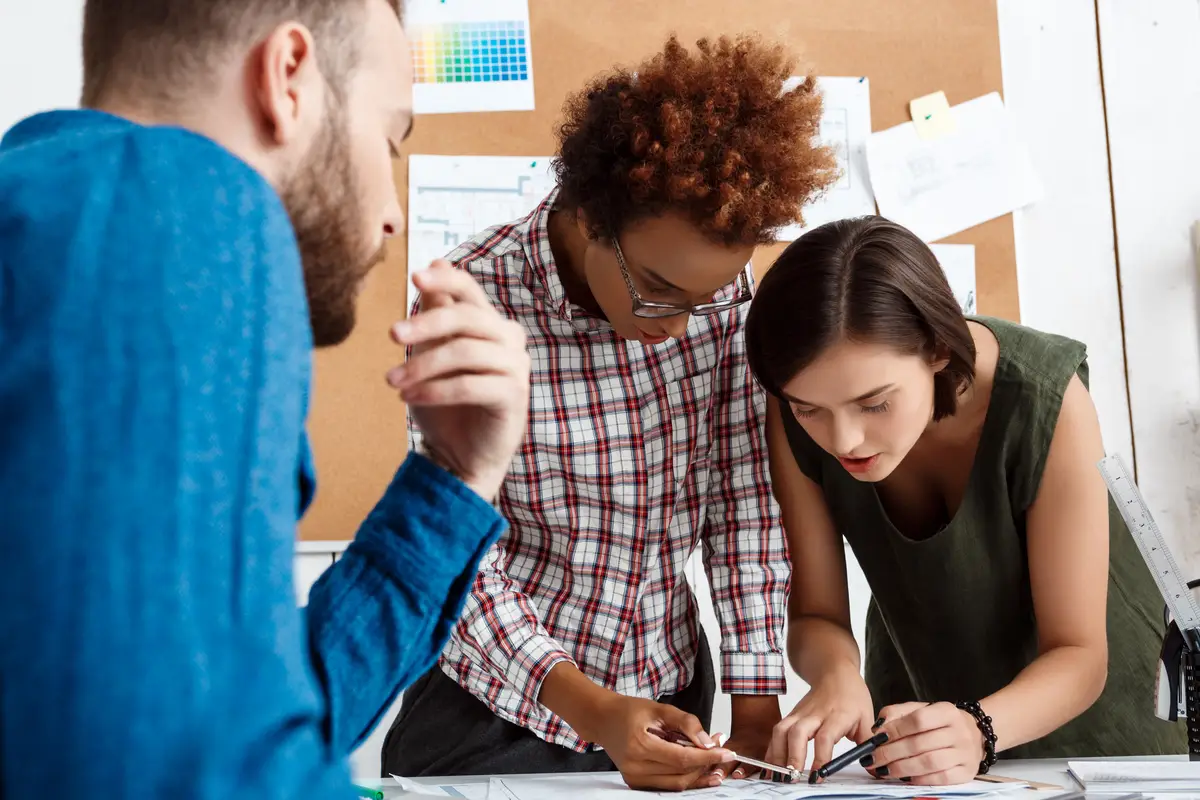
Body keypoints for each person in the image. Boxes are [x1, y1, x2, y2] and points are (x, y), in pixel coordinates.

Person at [0, 1, 532, 798]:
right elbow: (172, 776)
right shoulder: (168, 203)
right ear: (288, 78)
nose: (392, 213)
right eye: (388, 139)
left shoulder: (61, 215)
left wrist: (454, 480)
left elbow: (250, 724)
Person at [382, 34, 840, 791]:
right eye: (658, 289)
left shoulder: (717, 294)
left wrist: (754, 705)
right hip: (499, 707)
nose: (678, 325)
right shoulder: (473, 297)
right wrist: (593, 712)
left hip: (671, 698)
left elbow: (742, 498)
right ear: (592, 216)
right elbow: (457, 554)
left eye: (704, 301)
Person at [743, 216, 1186, 785]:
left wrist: (979, 728)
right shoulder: (796, 404)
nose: (843, 439)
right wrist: (835, 674)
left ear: (937, 347)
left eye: (874, 403)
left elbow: (1079, 655)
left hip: (1101, 734)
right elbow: (816, 615)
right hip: (920, 717)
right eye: (810, 410)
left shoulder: (1047, 400)